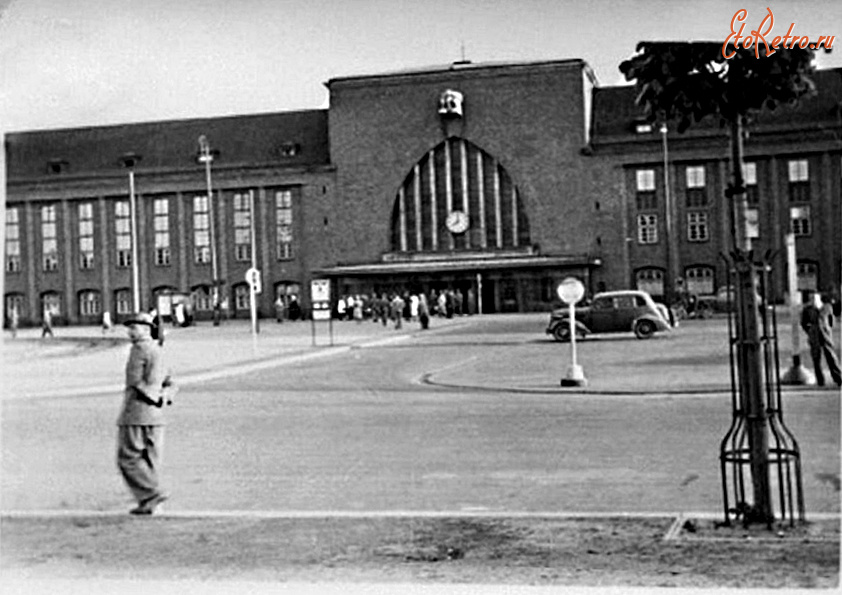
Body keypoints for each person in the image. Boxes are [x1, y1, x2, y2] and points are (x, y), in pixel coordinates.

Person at [117, 312, 177, 515]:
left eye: (133, 328)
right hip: (157, 416)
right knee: (151, 459)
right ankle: (151, 505)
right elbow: (171, 381)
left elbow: (135, 381)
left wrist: (153, 397)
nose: (129, 332)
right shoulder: (159, 350)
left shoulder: (139, 349)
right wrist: (164, 397)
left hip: (136, 413)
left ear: (144, 329)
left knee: (129, 458)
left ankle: (152, 494)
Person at [801, 292, 842, 388]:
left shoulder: (827, 308)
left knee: (831, 356)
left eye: (815, 298)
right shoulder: (807, 309)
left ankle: (838, 377)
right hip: (814, 335)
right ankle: (820, 380)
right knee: (816, 357)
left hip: (825, 334)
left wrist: (827, 328)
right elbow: (803, 323)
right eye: (811, 298)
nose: (813, 300)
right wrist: (810, 331)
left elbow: (831, 321)